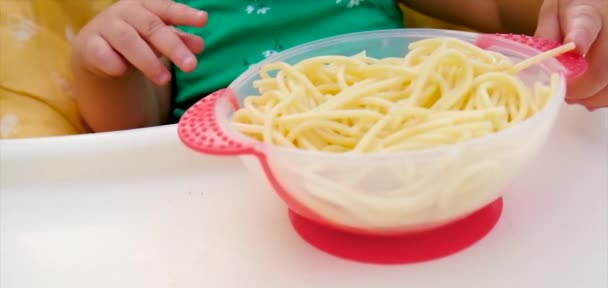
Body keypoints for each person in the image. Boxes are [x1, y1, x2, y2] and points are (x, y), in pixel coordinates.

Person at [70, 0, 608, 133]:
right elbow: (132, 132)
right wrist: (103, 66)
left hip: (418, 137)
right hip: (236, 175)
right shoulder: (157, 11)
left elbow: (512, 14)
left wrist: (579, 16)